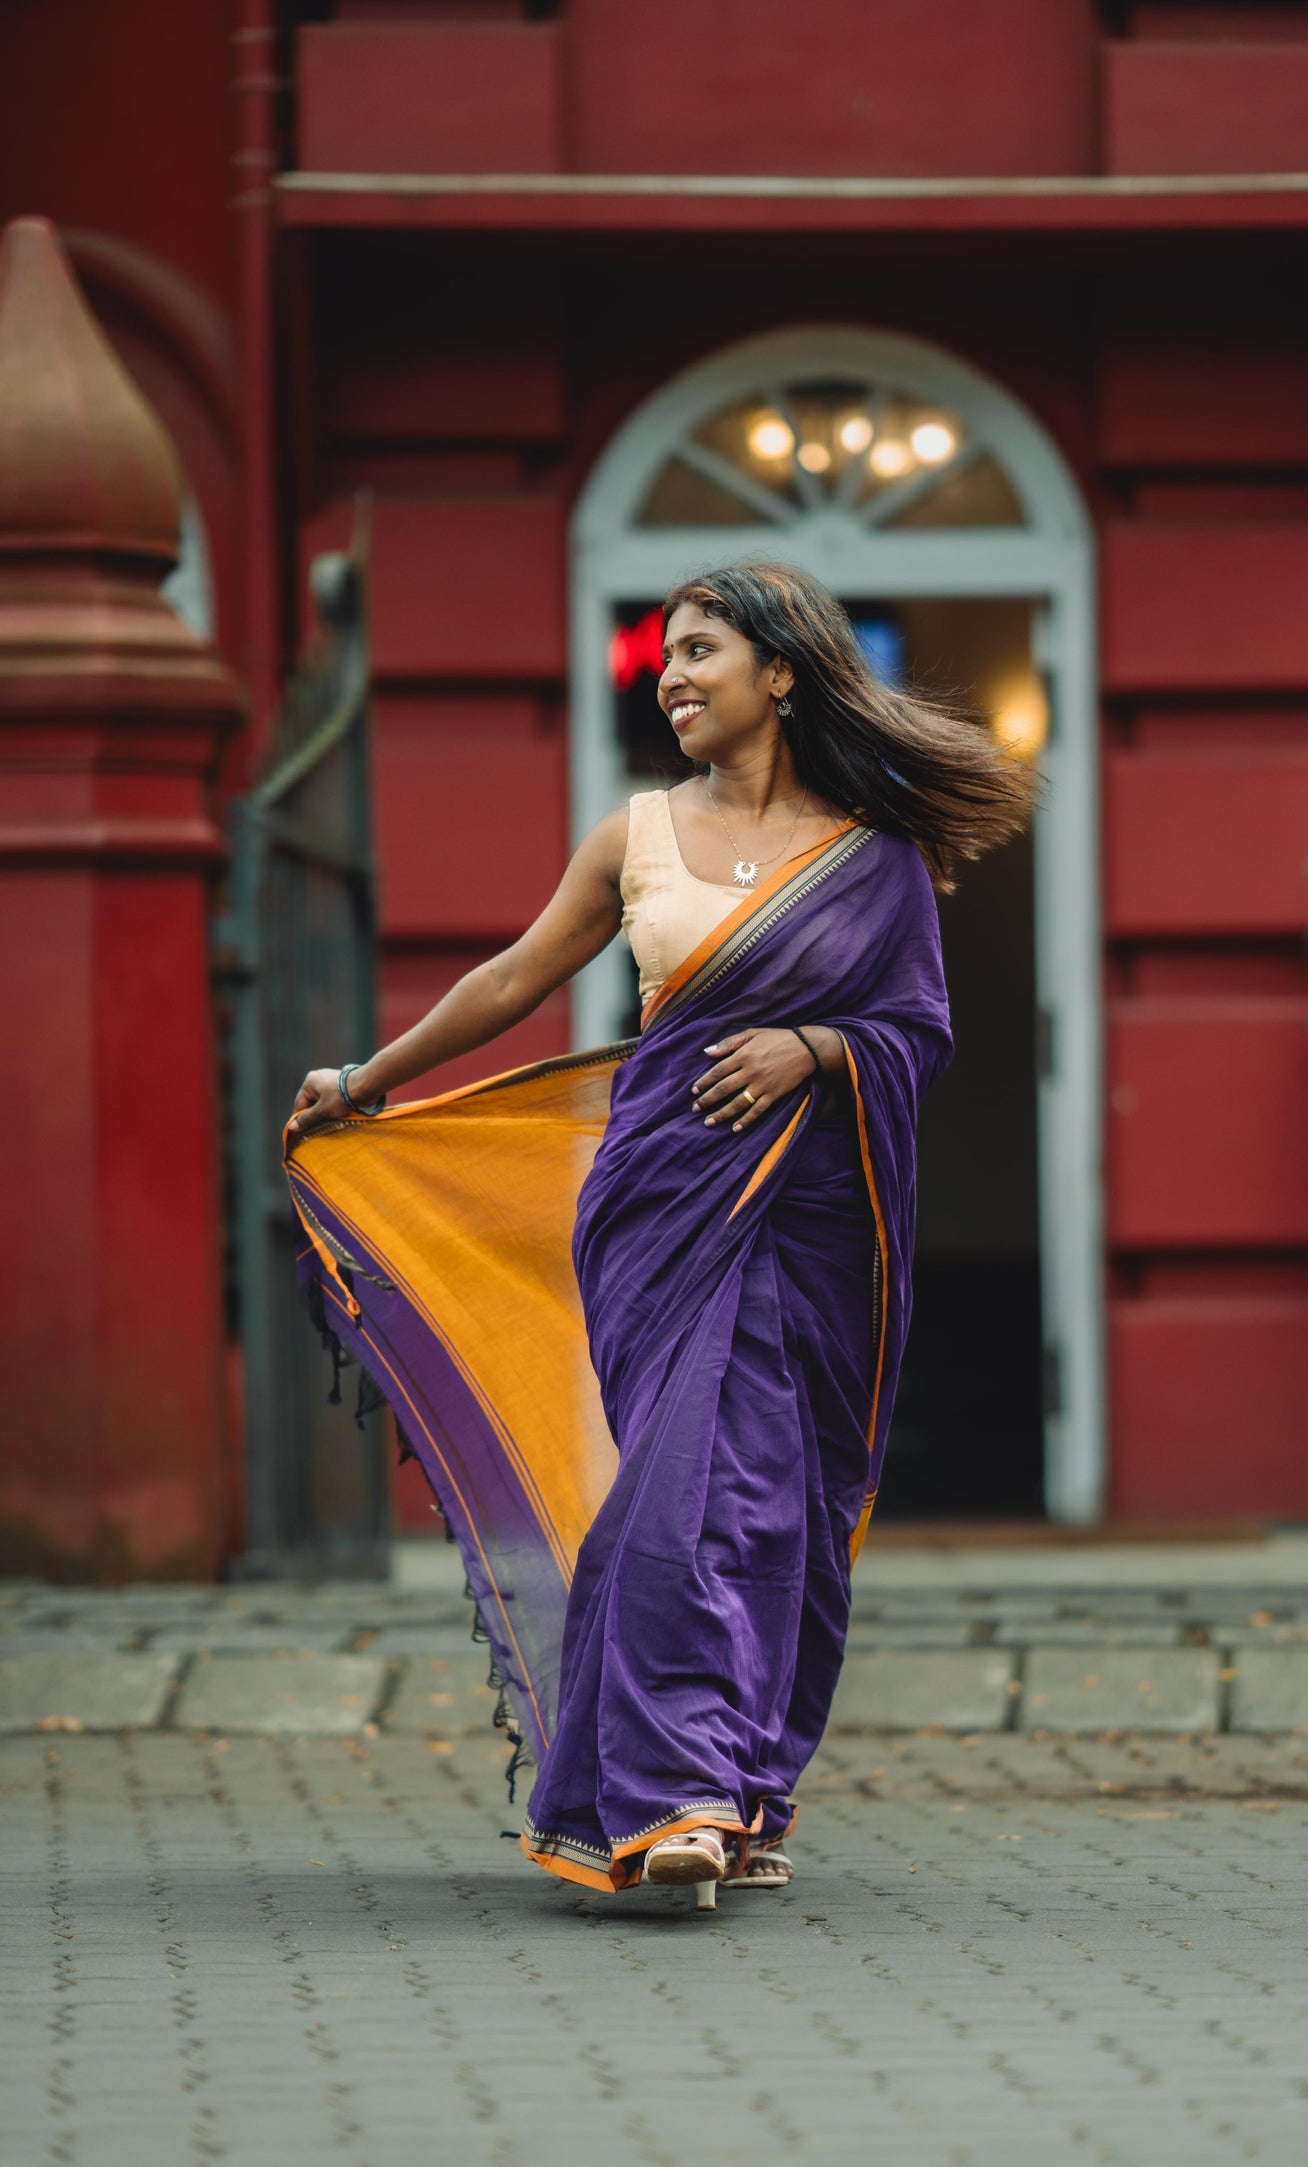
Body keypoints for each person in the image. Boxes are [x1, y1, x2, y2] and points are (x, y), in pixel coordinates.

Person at [287, 560, 1036, 1900]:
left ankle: (725, 1785)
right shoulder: (630, 835)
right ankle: (676, 1786)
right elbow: (513, 976)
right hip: (657, 1201)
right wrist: (370, 1078)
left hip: (809, 1216)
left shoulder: (877, 856)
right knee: (680, 1489)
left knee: (770, 1507)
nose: (673, 677)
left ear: (782, 672)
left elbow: (915, 1033)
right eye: (667, 658)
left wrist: (812, 1048)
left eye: (700, 652)